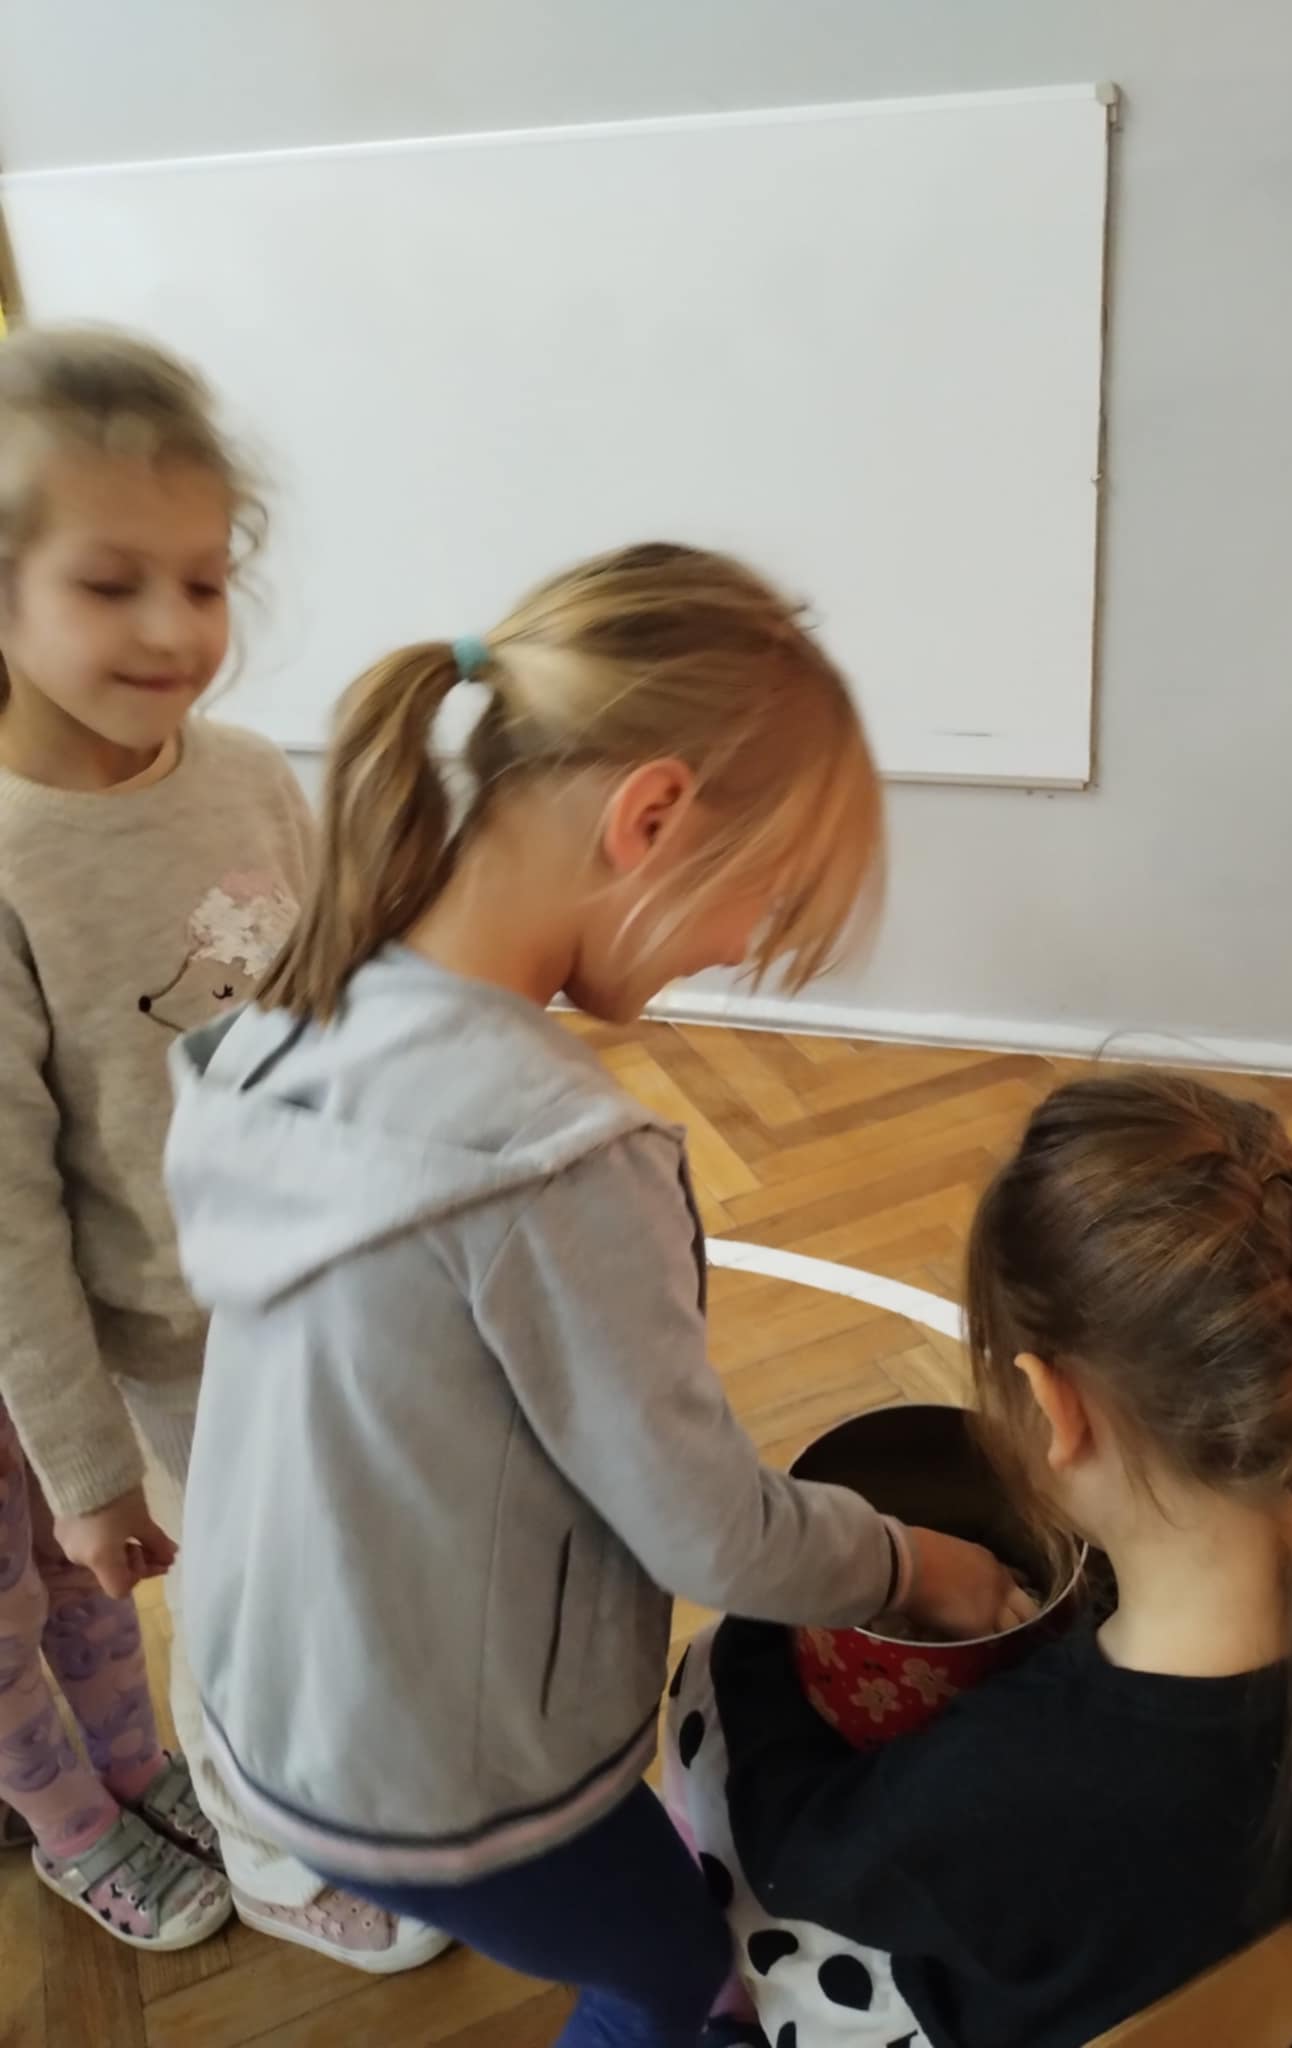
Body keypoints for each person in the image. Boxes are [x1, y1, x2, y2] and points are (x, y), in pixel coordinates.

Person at [160, 541, 1026, 2045]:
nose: (740, 948)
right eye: (762, 901)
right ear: (651, 818)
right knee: (673, 1981)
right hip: (441, 1780)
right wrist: (915, 1566)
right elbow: (707, 1528)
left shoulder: (306, 1009)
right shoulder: (559, 1161)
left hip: (273, 1698)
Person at [668, 1071, 1292, 2048]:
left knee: (702, 1694)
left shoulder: (1005, 1781)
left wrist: (772, 1609)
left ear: (1053, 1406)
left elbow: (798, 1858)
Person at [0, 325, 444, 1969]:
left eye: (202, 579)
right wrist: (87, 1472)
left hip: (329, 1282)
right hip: (178, 1341)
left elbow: (334, 1003)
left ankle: (338, 1778)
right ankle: (268, 1847)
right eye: (111, 583)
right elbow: (8, 1219)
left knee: (344, 1565)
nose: (174, 628)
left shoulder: (252, 774)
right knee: (251, 1600)